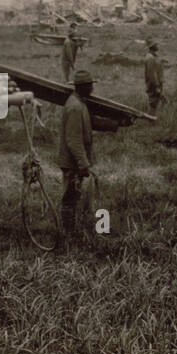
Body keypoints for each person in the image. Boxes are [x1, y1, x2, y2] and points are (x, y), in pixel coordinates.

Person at [58, 69, 97, 245]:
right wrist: (83, 163)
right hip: (72, 162)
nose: (92, 89)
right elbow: (73, 140)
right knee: (69, 198)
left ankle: (70, 231)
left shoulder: (79, 103)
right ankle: (67, 235)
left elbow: (91, 123)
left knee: (73, 196)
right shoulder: (75, 107)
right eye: (90, 86)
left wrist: (115, 125)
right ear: (83, 87)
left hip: (75, 161)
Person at [143, 41, 165, 115]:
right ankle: (150, 121)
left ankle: (152, 120)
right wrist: (157, 87)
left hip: (157, 83)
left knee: (156, 102)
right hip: (153, 85)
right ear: (152, 46)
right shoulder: (150, 58)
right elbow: (151, 74)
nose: (157, 46)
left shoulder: (153, 57)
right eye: (156, 44)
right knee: (153, 103)